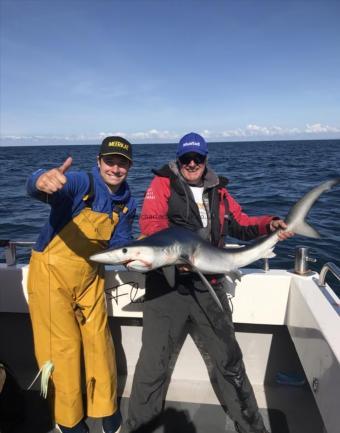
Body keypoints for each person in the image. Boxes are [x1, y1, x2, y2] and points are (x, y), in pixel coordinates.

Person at [124, 132, 293, 433]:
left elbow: (240, 223)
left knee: (229, 363)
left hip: (209, 285)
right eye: (186, 159)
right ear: (178, 161)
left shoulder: (219, 191)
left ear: (205, 160)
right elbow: (152, 224)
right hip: (167, 287)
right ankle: (139, 429)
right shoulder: (163, 183)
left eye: (197, 159)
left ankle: (252, 429)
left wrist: (270, 224)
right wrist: (180, 250)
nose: (192, 164)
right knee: (152, 368)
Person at [26, 136, 137, 433]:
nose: (115, 168)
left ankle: (106, 407)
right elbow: (39, 185)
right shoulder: (80, 183)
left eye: (122, 163)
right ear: (99, 161)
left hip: (90, 276)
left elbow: (120, 241)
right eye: (110, 161)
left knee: (100, 343)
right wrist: (41, 181)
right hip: (51, 274)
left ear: (130, 166)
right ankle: (68, 418)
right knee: (64, 348)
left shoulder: (126, 202)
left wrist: (134, 256)